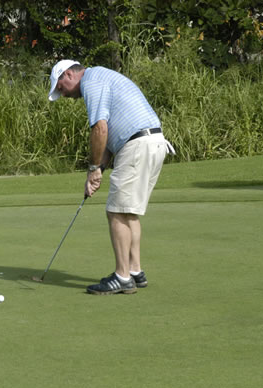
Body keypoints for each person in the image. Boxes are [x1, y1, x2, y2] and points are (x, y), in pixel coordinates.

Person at [48, 60, 175, 294]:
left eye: (60, 88)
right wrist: (98, 172)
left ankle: (122, 277)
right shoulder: (101, 77)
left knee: (116, 212)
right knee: (128, 212)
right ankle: (135, 271)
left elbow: (99, 128)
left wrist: (94, 167)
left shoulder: (91, 82)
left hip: (137, 145)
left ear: (68, 74)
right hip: (152, 142)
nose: (62, 94)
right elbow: (108, 137)